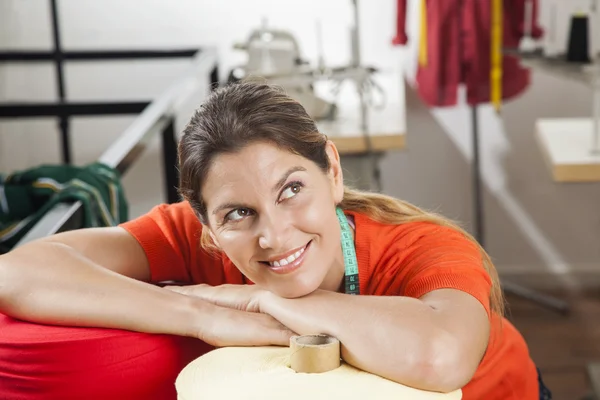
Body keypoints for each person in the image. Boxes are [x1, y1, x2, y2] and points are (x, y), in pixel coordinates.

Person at [0, 81, 551, 400]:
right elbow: (18, 272)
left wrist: (261, 299)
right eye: (238, 213)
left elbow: (440, 356)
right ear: (208, 227)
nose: (273, 234)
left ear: (332, 171)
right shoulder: (194, 236)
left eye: (291, 189)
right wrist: (204, 316)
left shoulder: (423, 246)